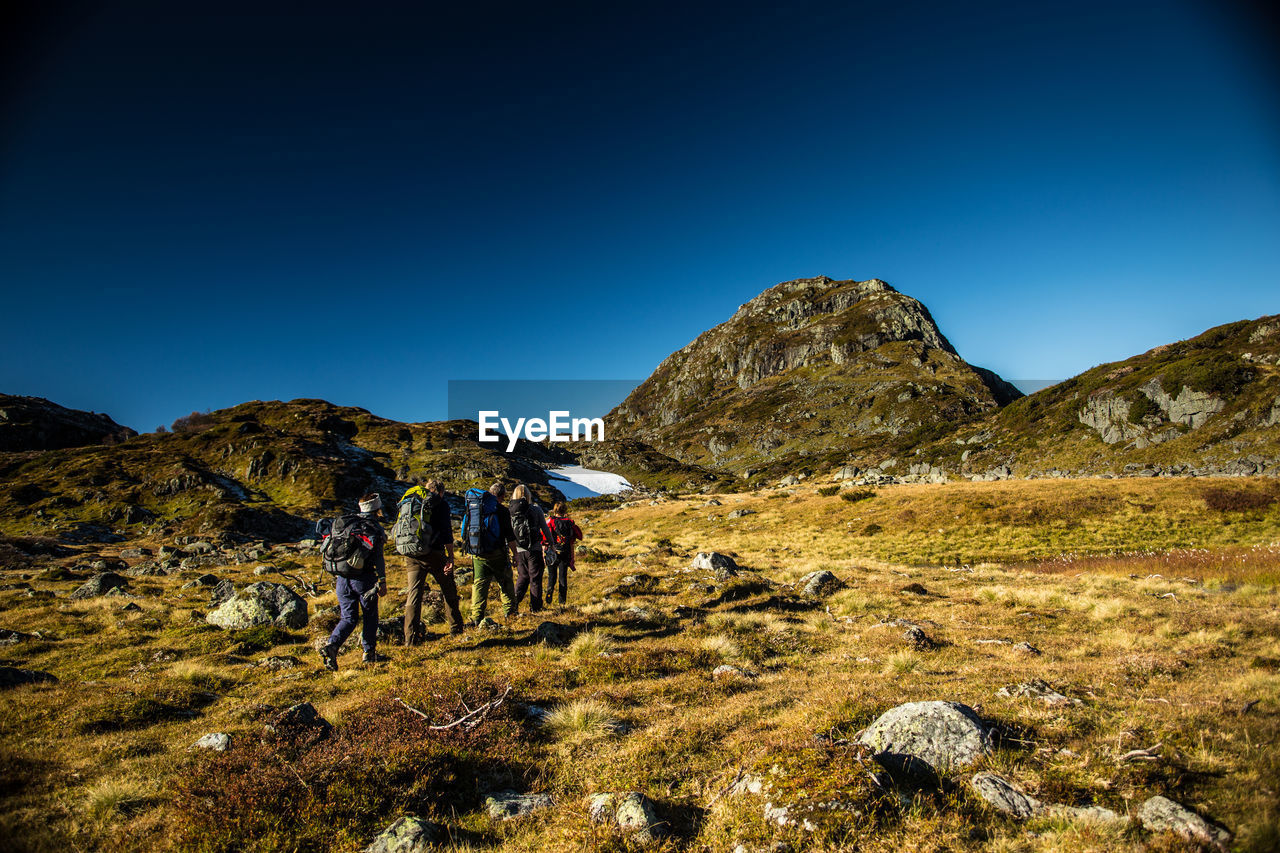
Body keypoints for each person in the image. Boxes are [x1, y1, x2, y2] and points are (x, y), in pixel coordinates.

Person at [319, 493, 389, 669]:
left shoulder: (348, 524)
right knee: (370, 616)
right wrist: (382, 580)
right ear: (376, 509)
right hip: (363, 579)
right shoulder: (372, 527)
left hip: (342, 579)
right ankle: (368, 653)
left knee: (348, 618)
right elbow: (378, 557)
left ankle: (332, 646)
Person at [400, 478, 465, 643]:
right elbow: (446, 532)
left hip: (412, 554)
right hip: (434, 553)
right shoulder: (440, 504)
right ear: (441, 492)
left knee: (414, 593)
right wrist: (450, 556)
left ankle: (410, 637)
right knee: (448, 588)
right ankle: (456, 628)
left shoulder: (412, 502)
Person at [464, 482, 520, 627]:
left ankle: (476, 617)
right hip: (497, 553)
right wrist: (515, 554)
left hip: (477, 553)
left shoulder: (474, 508)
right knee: (505, 582)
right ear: (502, 496)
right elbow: (510, 536)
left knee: (479, 584)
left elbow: (465, 529)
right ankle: (510, 612)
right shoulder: (501, 510)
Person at [509, 484, 553, 613]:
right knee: (535, 578)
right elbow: (545, 528)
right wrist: (551, 544)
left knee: (522, 577)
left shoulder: (510, 511)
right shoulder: (535, 509)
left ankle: (513, 604)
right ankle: (536, 607)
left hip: (518, 550)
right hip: (534, 549)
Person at [543, 500, 583, 606]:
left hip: (553, 552)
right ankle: (562, 602)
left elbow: (543, 536)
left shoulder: (550, 521)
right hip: (565, 552)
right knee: (563, 577)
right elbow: (578, 536)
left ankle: (550, 591)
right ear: (565, 510)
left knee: (552, 575)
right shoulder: (570, 522)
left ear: (554, 510)